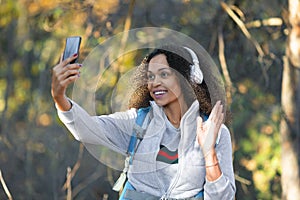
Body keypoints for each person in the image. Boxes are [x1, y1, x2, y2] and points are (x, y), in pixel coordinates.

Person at [51, 44, 236, 199]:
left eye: (164, 74)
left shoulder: (215, 132)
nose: (155, 82)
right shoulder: (138, 122)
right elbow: (87, 129)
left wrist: (209, 151)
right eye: (150, 77)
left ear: (188, 78)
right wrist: (59, 96)